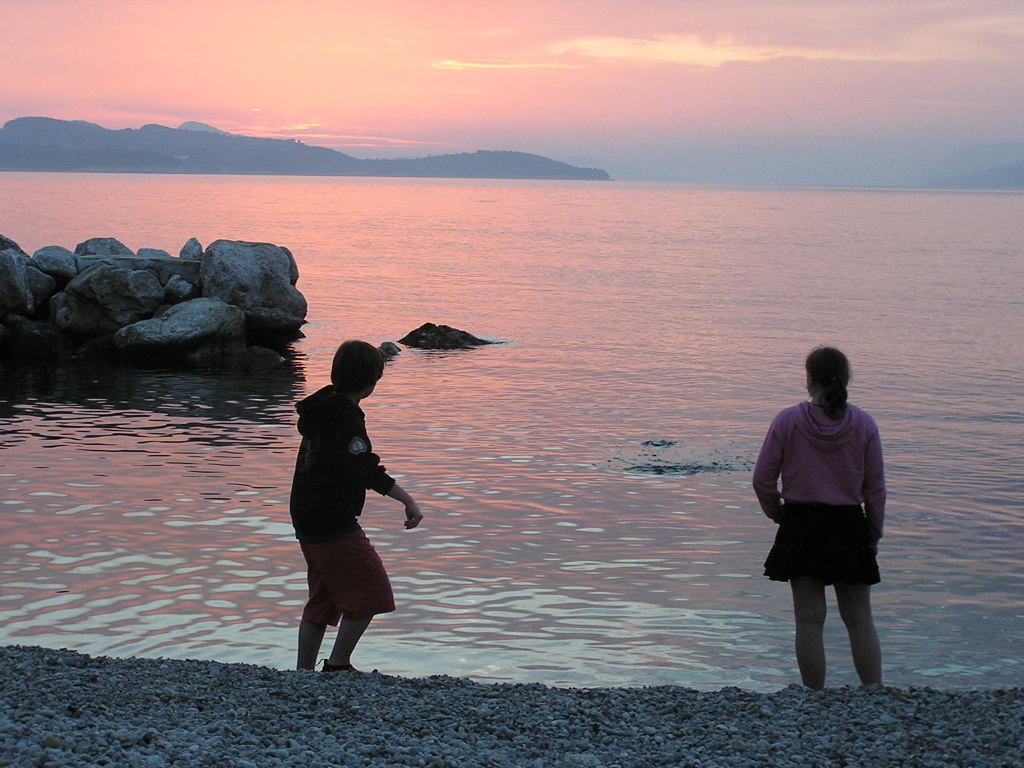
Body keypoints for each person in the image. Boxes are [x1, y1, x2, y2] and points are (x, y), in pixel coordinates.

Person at [752, 346, 885, 690]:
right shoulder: (864, 424)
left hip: (801, 523)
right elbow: (875, 490)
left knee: (809, 621)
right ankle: (874, 692)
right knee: (859, 619)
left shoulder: (787, 420)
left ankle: (814, 696)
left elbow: (762, 480)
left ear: (809, 379)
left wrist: (778, 514)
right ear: (847, 378)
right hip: (848, 525)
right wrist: (873, 532)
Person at [289, 339, 423, 672]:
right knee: (372, 591)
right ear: (370, 382)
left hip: (306, 514)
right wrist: (408, 501)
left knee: (322, 598)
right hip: (330, 518)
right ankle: (337, 665)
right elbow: (362, 467)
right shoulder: (345, 417)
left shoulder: (322, 408)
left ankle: (302, 674)